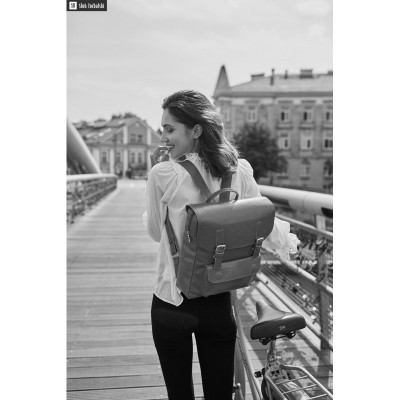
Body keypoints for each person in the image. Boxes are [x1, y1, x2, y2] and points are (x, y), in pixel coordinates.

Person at [143, 90, 299, 400]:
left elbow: (156, 233)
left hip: (171, 301)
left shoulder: (163, 174)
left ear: (196, 130)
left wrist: (155, 197)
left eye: (169, 129)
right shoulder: (239, 170)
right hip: (217, 302)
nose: (163, 137)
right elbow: (263, 219)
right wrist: (290, 244)